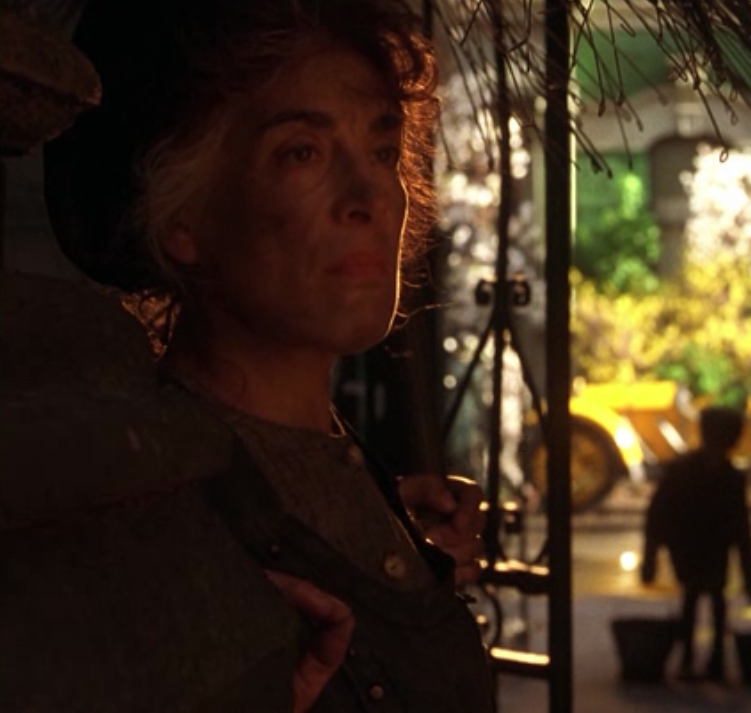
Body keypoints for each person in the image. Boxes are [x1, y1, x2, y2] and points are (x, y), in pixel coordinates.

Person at [1, 0, 494, 710]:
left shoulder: (362, 475)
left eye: (382, 151)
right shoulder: (148, 502)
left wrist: (382, 532)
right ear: (183, 216)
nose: (371, 198)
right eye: (303, 152)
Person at [641, 406, 751, 682]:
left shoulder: (690, 472)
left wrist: (651, 555)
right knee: (707, 595)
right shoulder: (725, 477)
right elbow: (741, 529)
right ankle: (707, 659)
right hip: (698, 546)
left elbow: (656, 516)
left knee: (699, 595)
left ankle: (700, 659)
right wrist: (750, 575)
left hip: (694, 546)